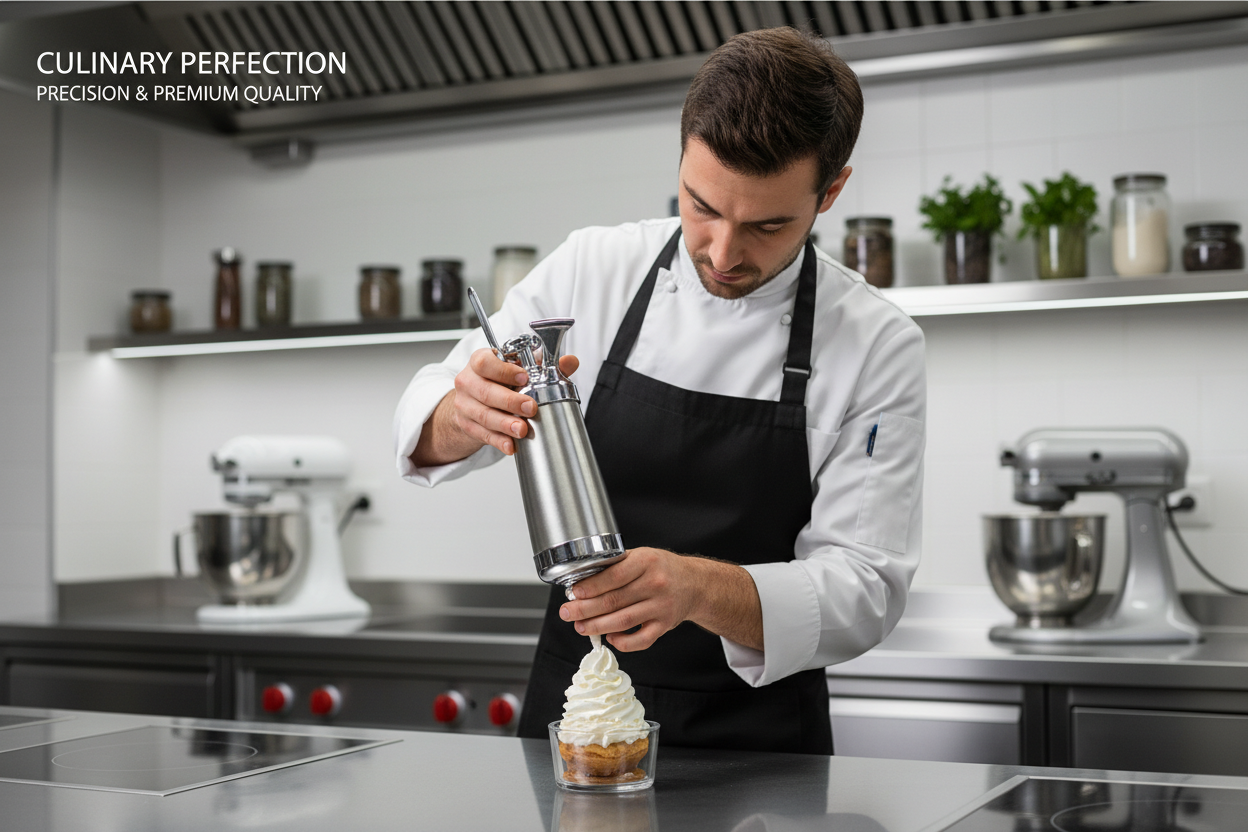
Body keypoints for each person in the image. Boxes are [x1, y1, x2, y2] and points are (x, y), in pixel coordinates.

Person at [394, 27, 925, 755]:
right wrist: (464, 413)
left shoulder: (875, 342)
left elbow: (865, 588)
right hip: (577, 713)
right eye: (701, 207)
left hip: (761, 746)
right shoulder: (594, 268)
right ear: (680, 160)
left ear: (830, 192)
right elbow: (425, 419)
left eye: (768, 225)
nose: (723, 252)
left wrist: (699, 589)